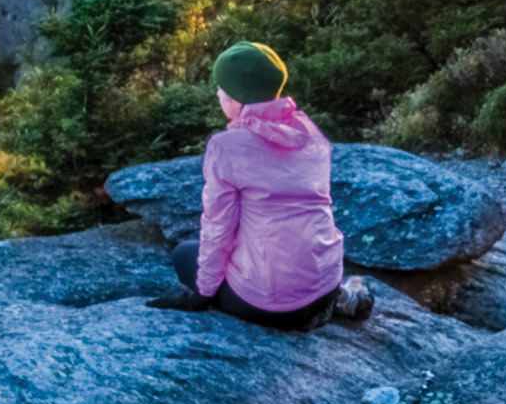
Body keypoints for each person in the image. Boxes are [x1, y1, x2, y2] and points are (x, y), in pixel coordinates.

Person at [146, 41, 374, 330]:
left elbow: (218, 228)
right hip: (324, 287)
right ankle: (342, 297)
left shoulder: (226, 147)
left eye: (222, 88)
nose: (218, 93)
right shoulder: (309, 132)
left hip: (265, 305)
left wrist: (201, 295)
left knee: (184, 254)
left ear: (239, 98)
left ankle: (299, 300)